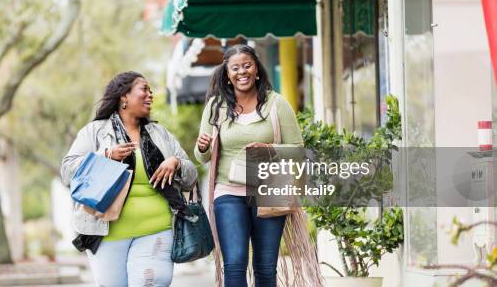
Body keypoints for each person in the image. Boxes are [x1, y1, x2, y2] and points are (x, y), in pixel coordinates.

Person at [195, 44, 323, 287]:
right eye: (235, 68)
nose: (242, 72)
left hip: (269, 192)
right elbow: (203, 157)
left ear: (256, 70)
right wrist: (202, 147)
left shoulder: (277, 104)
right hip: (228, 192)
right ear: (227, 74)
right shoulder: (216, 107)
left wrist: (267, 151)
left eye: (247, 65)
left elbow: (298, 150)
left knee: (265, 267)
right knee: (234, 262)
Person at [61, 71, 198, 287]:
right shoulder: (95, 131)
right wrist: (105, 156)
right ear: (124, 96)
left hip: (157, 229)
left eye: (151, 91)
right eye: (144, 89)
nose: (150, 95)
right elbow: (67, 171)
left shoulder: (160, 133)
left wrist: (176, 163)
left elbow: (191, 177)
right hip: (107, 234)